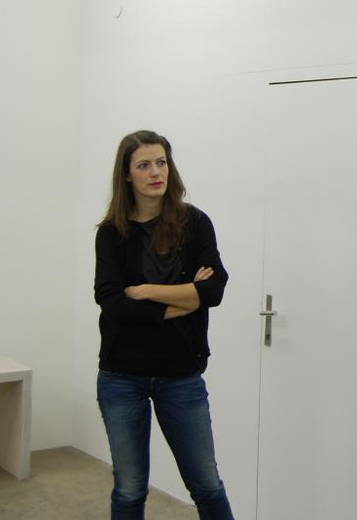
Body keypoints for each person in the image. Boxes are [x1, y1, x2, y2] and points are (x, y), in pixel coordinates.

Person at [94, 130, 234, 520]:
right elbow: (112, 301)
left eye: (161, 162)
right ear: (127, 174)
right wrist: (184, 299)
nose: (156, 172)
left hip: (181, 374)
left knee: (207, 485)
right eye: (144, 165)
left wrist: (146, 291)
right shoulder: (111, 233)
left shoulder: (195, 223)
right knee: (129, 490)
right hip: (122, 375)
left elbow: (214, 290)